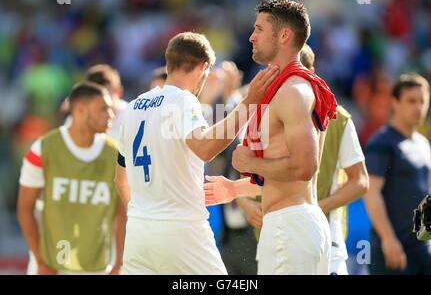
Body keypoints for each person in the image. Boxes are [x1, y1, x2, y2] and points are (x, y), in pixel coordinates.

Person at [114, 31, 279, 274]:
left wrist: (143, 216)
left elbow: (120, 178)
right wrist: (249, 103)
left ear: (170, 63)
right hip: (180, 228)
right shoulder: (182, 100)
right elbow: (205, 148)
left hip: (139, 231)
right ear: (203, 68)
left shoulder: (133, 108)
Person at [205, 0, 337, 275]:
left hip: (290, 228)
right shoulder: (285, 87)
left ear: (285, 35)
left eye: (259, 29)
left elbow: (304, 167)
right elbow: (283, 174)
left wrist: (250, 164)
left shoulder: (292, 90)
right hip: (293, 225)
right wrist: (234, 189)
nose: (251, 37)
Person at [233, 44, 369, 275]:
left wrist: (317, 206)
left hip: (321, 235)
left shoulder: (339, 117)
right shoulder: (263, 115)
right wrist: (247, 204)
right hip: (279, 234)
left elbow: (361, 181)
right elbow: (248, 181)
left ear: (311, 72)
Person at [17, 82, 126, 275]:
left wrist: (119, 263)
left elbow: (123, 213)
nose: (110, 115)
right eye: (103, 109)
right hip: (51, 265)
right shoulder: (43, 149)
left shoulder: (116, 153)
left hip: (98, 267)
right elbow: (25, 208)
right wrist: (41, 261)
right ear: (81, 110)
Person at [363, 73, 431, 274]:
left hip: (422, 248)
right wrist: (388, 239)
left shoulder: (423, 143)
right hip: (394, 251)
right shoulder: (383, 142)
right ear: (394, 103)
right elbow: (371, 192)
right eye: (411, 101)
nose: (418, 107)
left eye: (422, 101)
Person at [62, 64, 128, 142]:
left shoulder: (132, 116)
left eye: (107, 96)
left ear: (119, 92)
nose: (109, 115)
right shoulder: (75, 120)